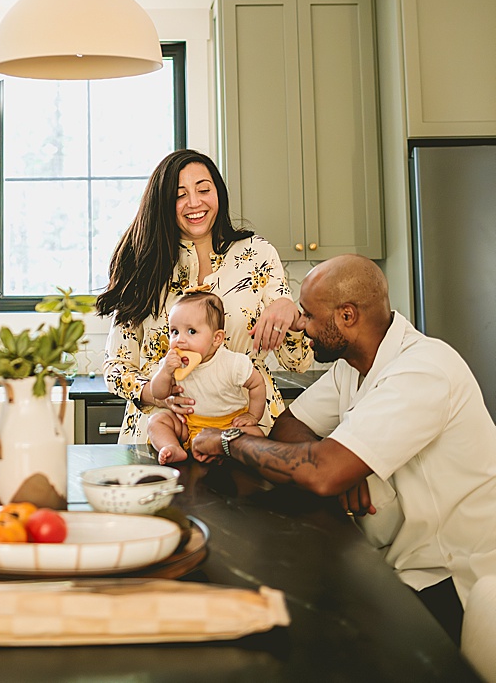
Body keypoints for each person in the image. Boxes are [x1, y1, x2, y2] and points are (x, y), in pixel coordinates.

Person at [191, 254, 496, 642]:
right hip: (395, 564)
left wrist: (232, 441)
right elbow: (290, 424)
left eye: (309, 315)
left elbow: (322, 472)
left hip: (453, 583)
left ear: (347, 316)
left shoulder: (423, 370)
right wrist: (339, 460)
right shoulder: (351, 364)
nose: (300, 325)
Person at [100, 149, 313, 444]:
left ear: (218, 194)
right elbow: (116, 367)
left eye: (204, 189)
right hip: (163, 434)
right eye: (180, 195)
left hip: (243, 432)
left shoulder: (257, 255)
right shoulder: (142, 264)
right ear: (163, 203)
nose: (195, 202)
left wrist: (290, 312)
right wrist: (157, 395)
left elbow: (298, 362)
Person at [145, 290, 266, 465]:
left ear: (216, 338)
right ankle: (173, 448)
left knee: (256, 435)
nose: (179, 340)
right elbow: (158, 393)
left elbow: (256, 384)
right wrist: (165, 372)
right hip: (189, 425)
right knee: (156, 421)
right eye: (174, 331)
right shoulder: (173, 364)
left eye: (191, 331)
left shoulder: (233, 363)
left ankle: (226, 451)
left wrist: (253, 416)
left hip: (229, 426)